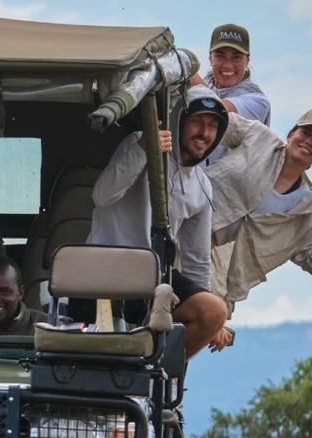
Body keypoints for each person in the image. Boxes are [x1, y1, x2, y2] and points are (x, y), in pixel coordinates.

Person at [205, 109, 312, 351]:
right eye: (306, 132)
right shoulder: (258, 137)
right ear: (292, 133)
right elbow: (216, 119)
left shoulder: (304, 207)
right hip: (179, 229)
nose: (309, 142)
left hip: (215, 286)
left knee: (180, 344)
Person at [87, 85, 229, 360]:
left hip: (154, 281)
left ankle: (153, 373)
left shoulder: (202, 184)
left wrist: (214, 325)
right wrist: (145, 149)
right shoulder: (139, 142)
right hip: (106, 271)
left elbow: (196, 259)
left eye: (213, 126)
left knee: (214, 312)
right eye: (196, 122)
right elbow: (101, 196)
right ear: (178, 121)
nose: (204, 133)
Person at [190, 23, 271, 166]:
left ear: (248, 60)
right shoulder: (200, 88)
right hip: (188, 183)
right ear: (210, 58)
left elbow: (213, 108)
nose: (228, 65)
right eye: (220, 56)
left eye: (236, 57)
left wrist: (185, 66)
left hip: (228, 187)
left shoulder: (258, 101)